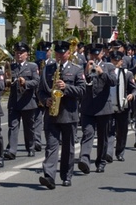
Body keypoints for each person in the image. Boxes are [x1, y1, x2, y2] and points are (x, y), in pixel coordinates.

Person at [37, 40, 85, 189]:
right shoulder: (48, 69)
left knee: (68, 148)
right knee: (51, 146)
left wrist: (67, 87)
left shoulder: (77, 69)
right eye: (57, 53)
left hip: (69, 114)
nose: (60, 55)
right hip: (52, 114)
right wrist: (46, 101)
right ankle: (49, 176)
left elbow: (82, 91)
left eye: (62, 53)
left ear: (68, 53)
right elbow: (40, 91)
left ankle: (66, 176)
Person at [78, 43, 117, 174]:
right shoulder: (82, 67)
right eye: (92, 54)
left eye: (97, 54)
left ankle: (100, 162)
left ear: (101, 54)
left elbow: (113, 82)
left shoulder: (109, 66)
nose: (94, 56)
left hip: (103, 108)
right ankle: (84, 160)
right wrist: (85, 72)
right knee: (88, 133)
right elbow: (80, 84)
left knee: (103, 137)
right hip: (87, 107)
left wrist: (101, 73)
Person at [4, 42, 40, 159]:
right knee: (13, 126)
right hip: (14, 101)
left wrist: (26, 83)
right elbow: (7, 82)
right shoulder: (11, 67)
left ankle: (30, 147)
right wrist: (5, 80)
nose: (19, 55)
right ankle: (12, 150)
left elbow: (36, 81)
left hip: (27, 102)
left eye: (21, 53)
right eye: (17, 53)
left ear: (26, 55)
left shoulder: (32, 66)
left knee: (29, 127)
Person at [106, 50, 136, 162]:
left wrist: (132, 95)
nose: (115, 63)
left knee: (122, 131)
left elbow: (135, 90)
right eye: (113, 60)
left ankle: (120, 152)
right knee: (109, 130)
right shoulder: (106, 72)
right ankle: (108, 153)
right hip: (109, 107)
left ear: (121, 61)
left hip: (123, 107)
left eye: (117, 61)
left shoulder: (127, 74)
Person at [33, 41, 54, 152]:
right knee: (36, 119)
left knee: (49, 119)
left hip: (50, 94)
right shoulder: (36, 63)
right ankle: (37, 141)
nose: (45, 53)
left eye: (47, 51)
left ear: (50, 51)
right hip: (38, 94)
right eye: (43, 51)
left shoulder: (53, 64)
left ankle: (51, 140)